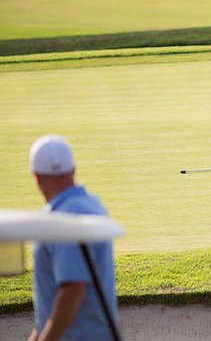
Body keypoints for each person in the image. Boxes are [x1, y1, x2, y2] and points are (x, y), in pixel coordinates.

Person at [28, 135, 118, 341]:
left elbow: (73, 290)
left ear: (37, 177)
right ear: (73, 171)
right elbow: (54, 299)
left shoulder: (64, 219)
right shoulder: (92, 204)